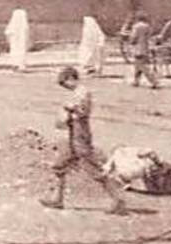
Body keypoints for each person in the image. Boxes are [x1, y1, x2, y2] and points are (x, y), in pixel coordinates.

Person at [41, 67, 127, 215]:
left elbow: (82, 112)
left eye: (65, 83)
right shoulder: (76, 92)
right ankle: (57, 198)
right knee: (60, 165)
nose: (65, 86)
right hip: (71, 131)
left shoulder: (83, 92)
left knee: (91, 166)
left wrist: (68, 109)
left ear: (71, 78)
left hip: (80, 132)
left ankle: (118, 199)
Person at [125, 14, 160, 89]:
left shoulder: (136, 26)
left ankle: (154, 81)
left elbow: (134, 37)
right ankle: (136, 81)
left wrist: (130, 41)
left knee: (142, 66)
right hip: (146, 48)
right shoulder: (147, 26)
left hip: (138, 48)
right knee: (138, 66)